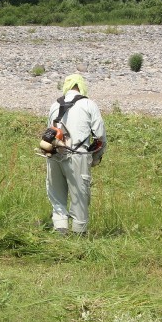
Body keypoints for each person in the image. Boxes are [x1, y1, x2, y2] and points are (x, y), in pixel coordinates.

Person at [43, 73, 106, 235]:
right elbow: (100, 137)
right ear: (82, 86)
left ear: (66, 87)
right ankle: (79, 238)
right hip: (78, 156)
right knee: (79, 199)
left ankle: (60, 233)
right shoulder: (88, 104)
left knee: (57, 197)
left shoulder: (54, 105)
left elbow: (49, 131)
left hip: (53, 155)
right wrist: (96, 158)